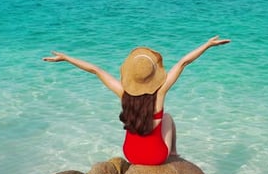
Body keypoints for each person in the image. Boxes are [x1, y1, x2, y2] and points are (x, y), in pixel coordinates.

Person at [43, 36, 230, 165]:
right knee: (168, 118)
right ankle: (173, 153)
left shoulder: (123, 93)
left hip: (131, 154)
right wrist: (207, 45)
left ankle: (166, 152)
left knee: (162, 120)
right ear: (153, 75)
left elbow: (95, 70)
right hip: (156, 157)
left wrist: (66, 58)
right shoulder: (160, 93)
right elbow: (183, 63)